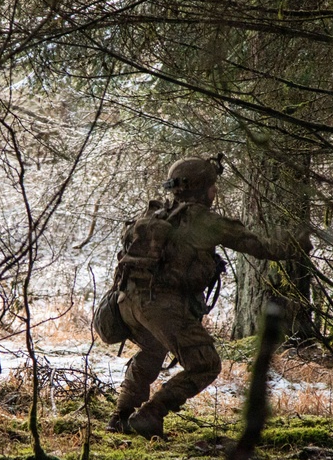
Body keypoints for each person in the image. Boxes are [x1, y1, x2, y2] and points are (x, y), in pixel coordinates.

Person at [107, 155, 307, 439]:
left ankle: (121, 416)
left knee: (152, 350)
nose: (215, 192)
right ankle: (150, 415)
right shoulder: (202, 220)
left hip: (127, 302)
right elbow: (257, 245)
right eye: (212, 186)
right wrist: (295, 245)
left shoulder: (154, 214)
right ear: (200, 188)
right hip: (160, 306)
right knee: (205, 364)